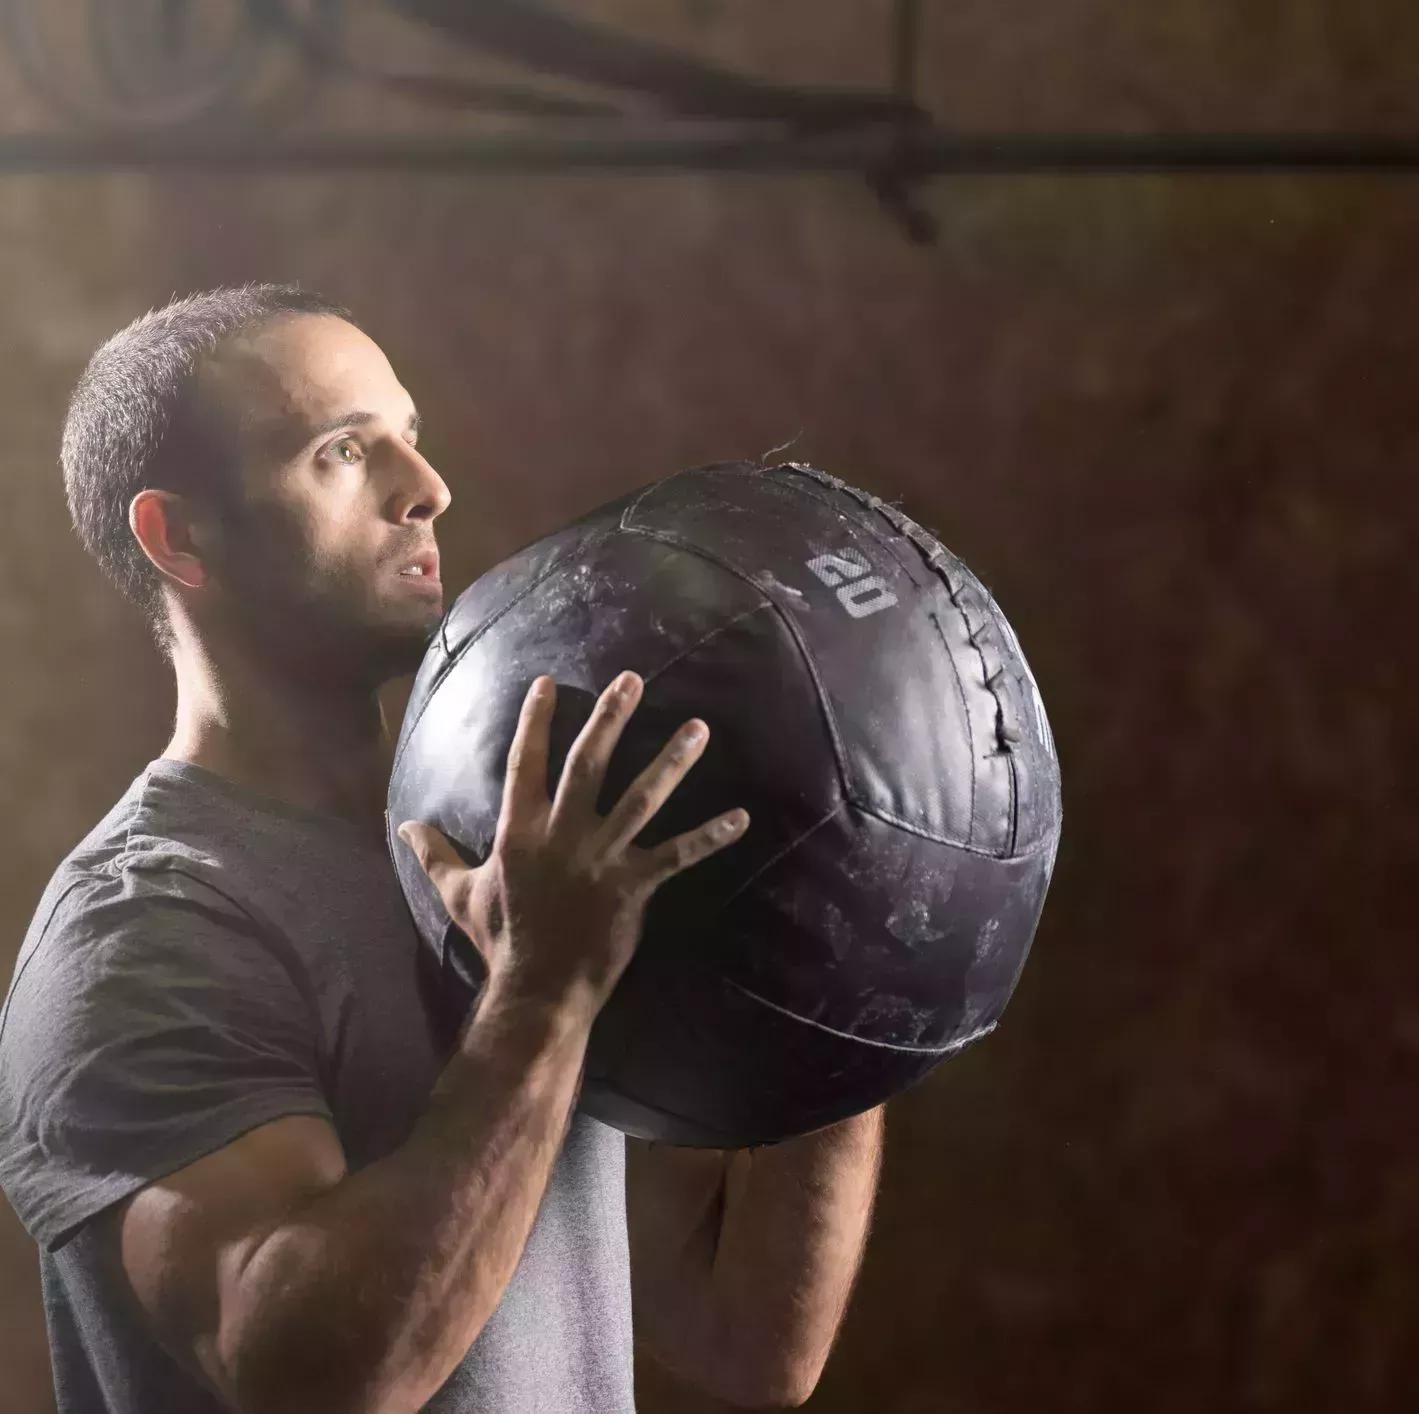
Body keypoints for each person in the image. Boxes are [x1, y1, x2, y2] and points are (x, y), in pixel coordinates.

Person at [0, 285, 756, 1414]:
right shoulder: (144, 931)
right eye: (343, 450)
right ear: (180, 535)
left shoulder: (524, 857)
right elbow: (310, 1378)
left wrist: (857, 936)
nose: (427, 489)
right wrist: (543, 993)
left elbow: (745, 1339)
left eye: (412, 436)